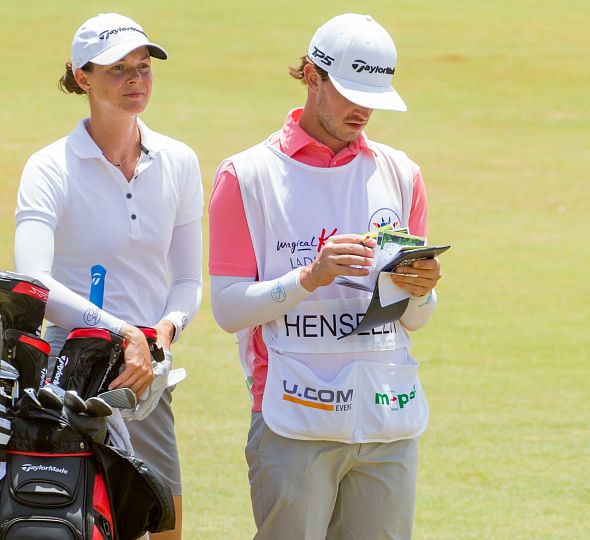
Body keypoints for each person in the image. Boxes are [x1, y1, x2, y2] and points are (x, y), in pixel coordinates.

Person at [209, 13, 443, 539]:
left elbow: (417, 319)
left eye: (374, 95)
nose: (363, 109)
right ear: (312, 76)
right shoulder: (246, 176)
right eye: (350, 91)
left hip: (388, 414)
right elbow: (227, 308)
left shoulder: (401, 173)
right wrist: (309, 277)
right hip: (295, 416)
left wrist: (421, 293)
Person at [13, 13, 202, 539]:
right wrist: (122, 331)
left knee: (164, 528)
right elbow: (34, 281)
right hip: (70, 374)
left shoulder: (180, 162)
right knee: (79, 525)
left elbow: (187, 280)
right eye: (118, 69)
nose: (135, 80)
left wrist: (166, 328)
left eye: (142, 67)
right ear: (82, 78)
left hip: (148, 376)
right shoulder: (49, 167)